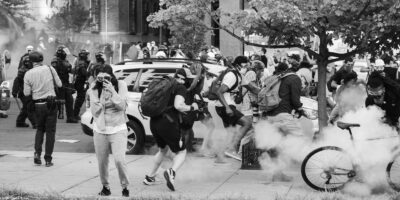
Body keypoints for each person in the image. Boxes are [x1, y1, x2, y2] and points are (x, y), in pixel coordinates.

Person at [143, 68, 199, 191]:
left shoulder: (164, 85)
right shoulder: (180, 87)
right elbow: (178, 105)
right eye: (186, 80)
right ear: (181, 78)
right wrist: (192, 107)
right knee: (181, 152)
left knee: (162, 150)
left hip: (154, 121)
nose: (187, 82)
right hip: (168, 122)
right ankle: (171, 172)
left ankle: (150, 177)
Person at [88, 65, 130, 197]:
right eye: (99, 77)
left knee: (119, 160)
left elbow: (122, 106)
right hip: (100, 129)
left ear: (111, 76)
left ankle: (125, 187)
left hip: (118, 127)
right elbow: (95, 111)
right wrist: (99, 97)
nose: (102, 80)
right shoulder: (94, 88)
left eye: (106, 77)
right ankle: (105, 187)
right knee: (102, 161)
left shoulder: (121, 85)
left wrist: (112, 91)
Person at [263, 62, 305, 182]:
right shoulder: (294, 78)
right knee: (301, 140)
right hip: (283, 115)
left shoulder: (276, 79)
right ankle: (318, 168)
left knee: (277, 145)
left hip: (270, 115)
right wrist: (300, 109)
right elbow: (295, 100)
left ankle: (277, 173)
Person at [23, 51, 62, 167]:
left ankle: (37, 154)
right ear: (41, 60)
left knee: (40, 129)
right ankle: (48, 159)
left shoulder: (28, 74)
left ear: (31, 61)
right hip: (51, 103)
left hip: (38, 105)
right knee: (50, 132)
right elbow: (59, 85)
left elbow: (26, 93)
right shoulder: (50, 69)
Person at [215, 56, 252, 161]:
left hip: (224, 106)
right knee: (247, 123)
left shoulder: (239, 75)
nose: (246, 68)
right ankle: (231, 149)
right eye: (245, 65)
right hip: (225, 106)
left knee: (230, 132)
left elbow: (252, 88)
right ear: (238, 65)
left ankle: (220, 157)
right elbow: (219, 92)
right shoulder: (232, 75)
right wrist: (227, 108)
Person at [51, 46, 78, 123]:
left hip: (65, 83)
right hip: (58, 83)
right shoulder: (55, 61)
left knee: (70, 100)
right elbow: (54, 73)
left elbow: (70, 70)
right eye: (64, 53)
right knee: (58, 102)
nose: (66, 54)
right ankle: (52, 117)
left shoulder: (65, 60)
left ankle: (70, 117)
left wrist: (76, 67)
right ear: (61, 53)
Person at [12, 55, 36, 128]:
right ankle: (35, 124)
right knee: (29, 108)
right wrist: (15, 91)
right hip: (24, 93)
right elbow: (17, 81)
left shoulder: (31, 70)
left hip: (28, 92)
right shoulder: (23, 71)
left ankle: (20, 122)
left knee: (26, 108)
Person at [72, 49, 90, 120]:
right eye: (86, 55)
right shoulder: (82, 64)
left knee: (80, 98)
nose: (88, 57)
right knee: (80, 99)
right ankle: (75, 114)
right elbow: (84, 73)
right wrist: (90, 72)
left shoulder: (81, 62)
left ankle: (75, 114)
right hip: (80, 83)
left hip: (80, 82)